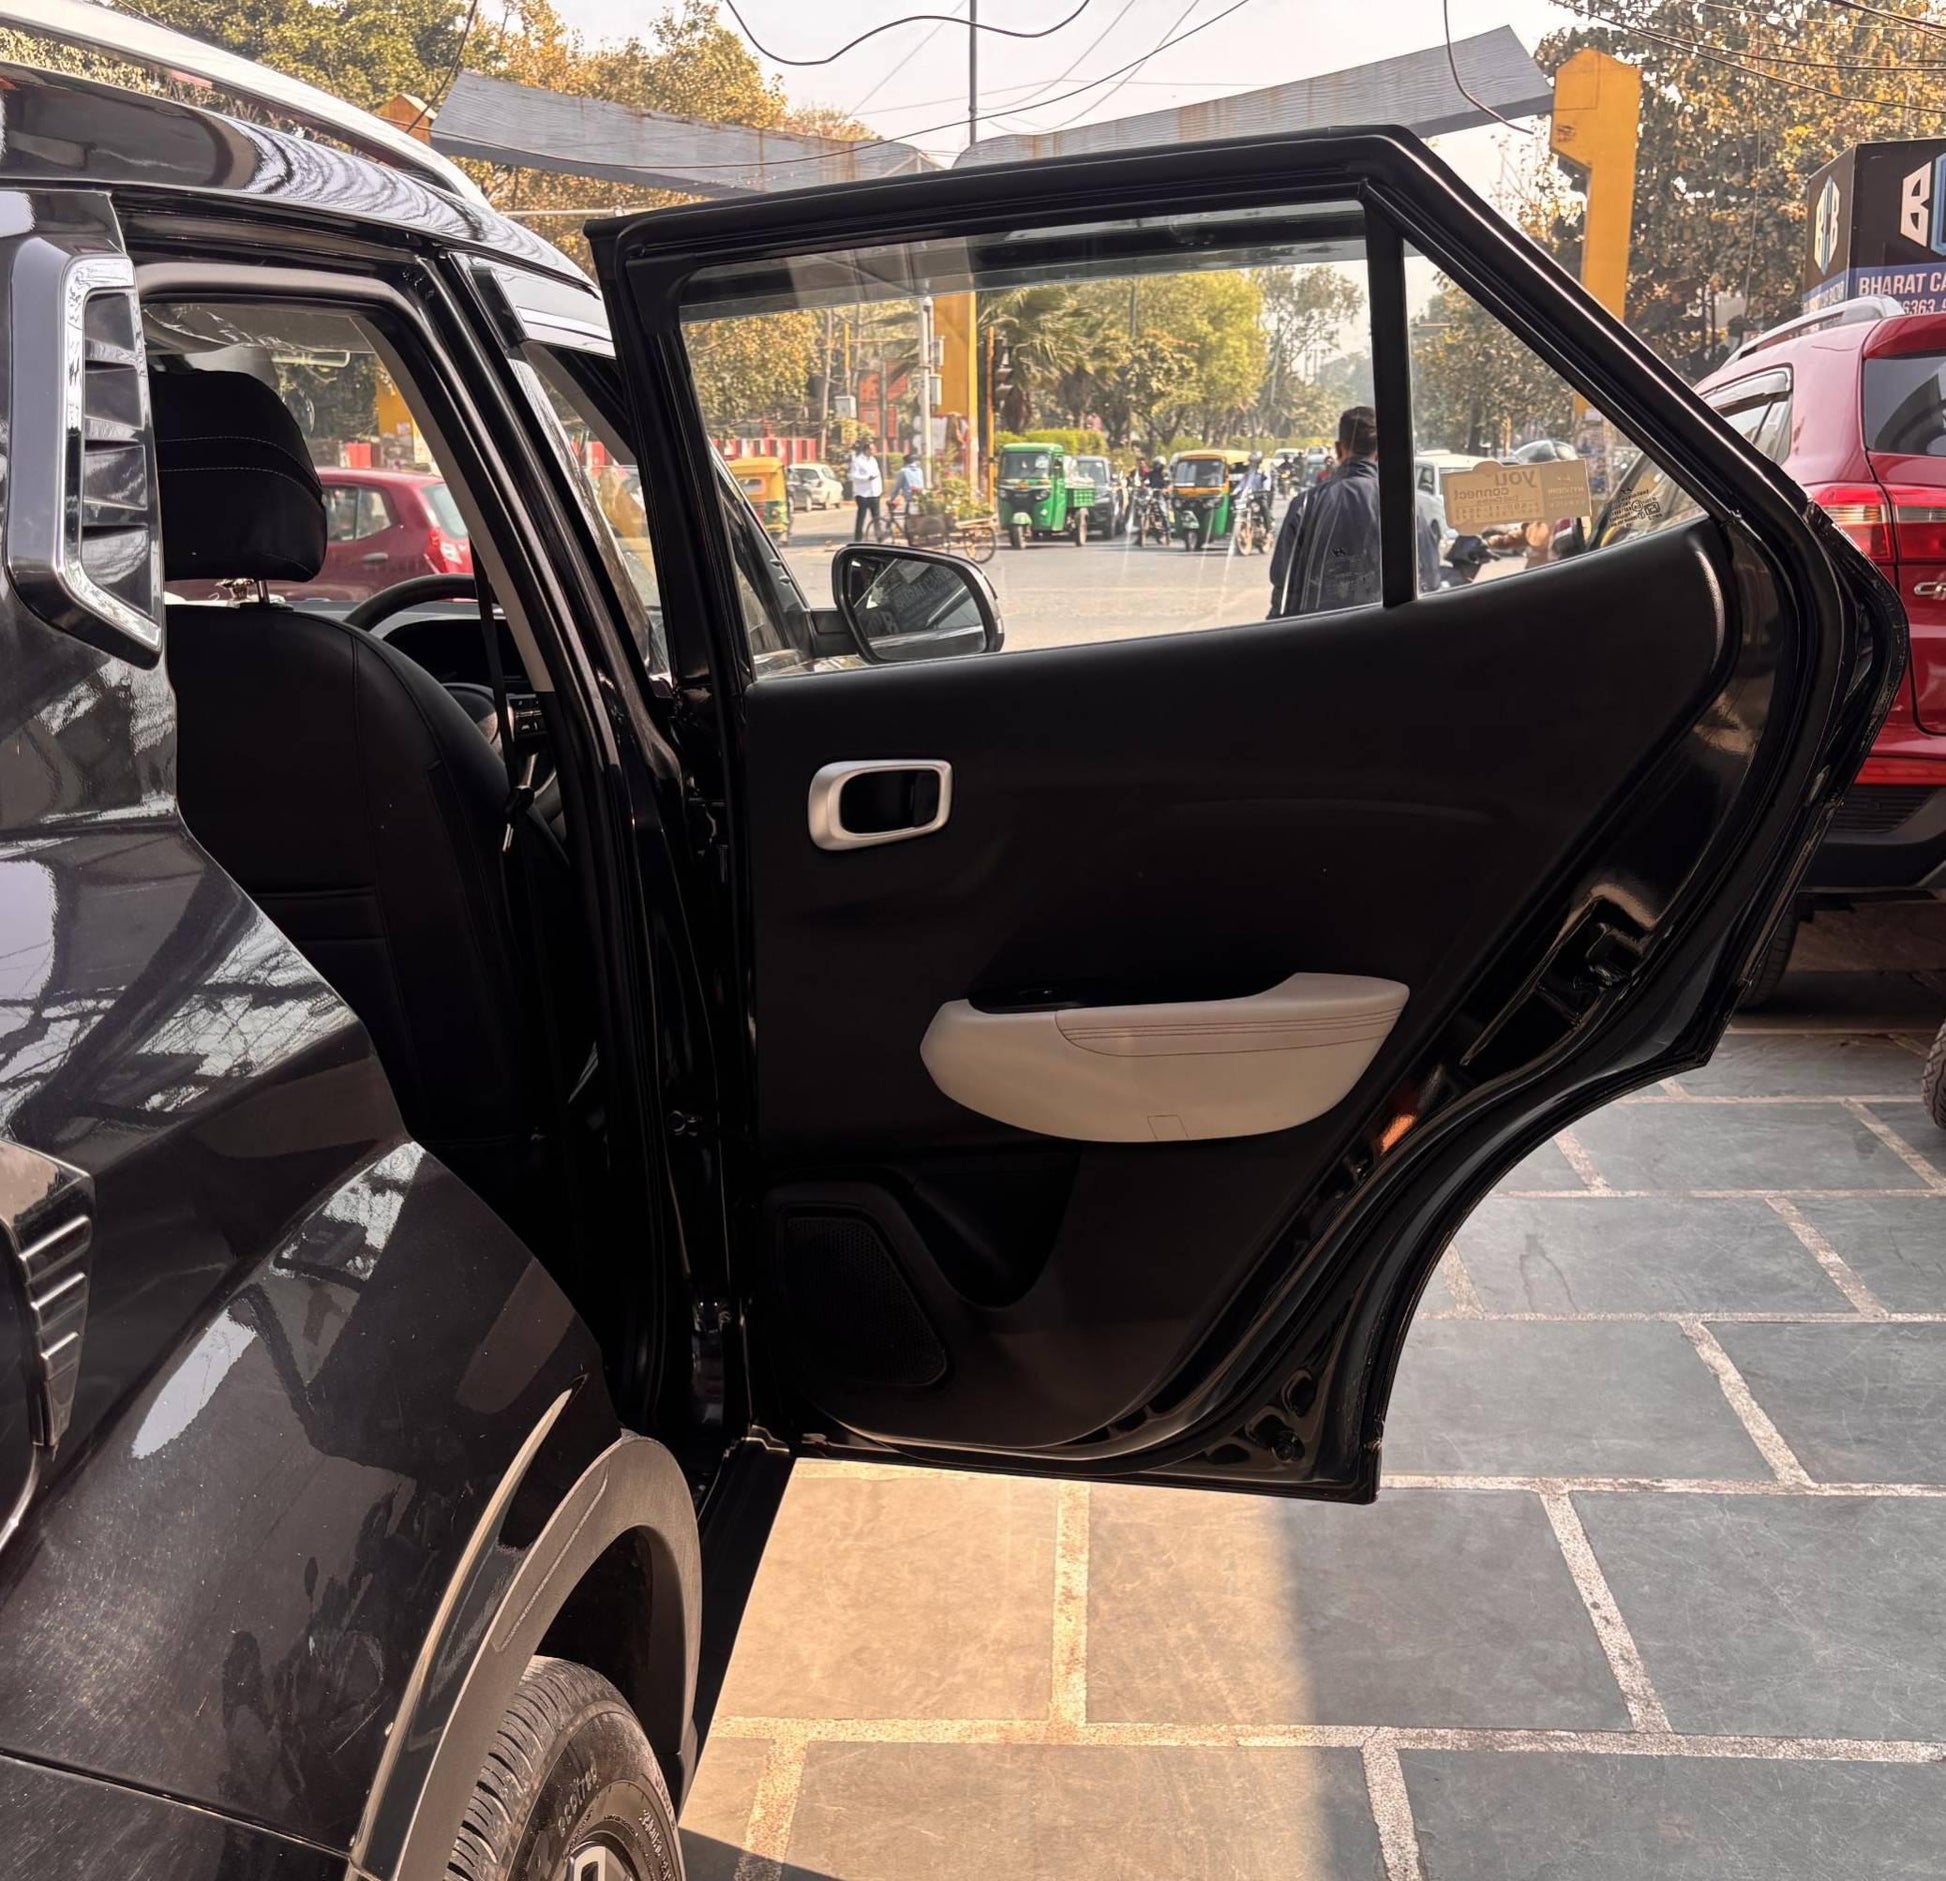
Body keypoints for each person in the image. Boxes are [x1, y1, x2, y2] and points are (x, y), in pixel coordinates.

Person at [1267, 406, 1439, 616]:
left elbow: (1283, 585)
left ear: (1339, 450)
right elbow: (1430, 578)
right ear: (1380, 452)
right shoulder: (1404, 505)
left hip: (1318, 631)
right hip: (1389, 631)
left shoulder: (1305, 504)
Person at [848, 436, 884, 541]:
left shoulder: (873, 460)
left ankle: (879, 537)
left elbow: (878, 476)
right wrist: (866, 478)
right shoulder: (857, 461)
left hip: (874, 493)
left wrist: (880, 490)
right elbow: (853, 476)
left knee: (876, 517)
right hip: (862, 493)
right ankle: (858, 539)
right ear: (867, 450)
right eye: (872, 449)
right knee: (861, 517)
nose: (874, 451)